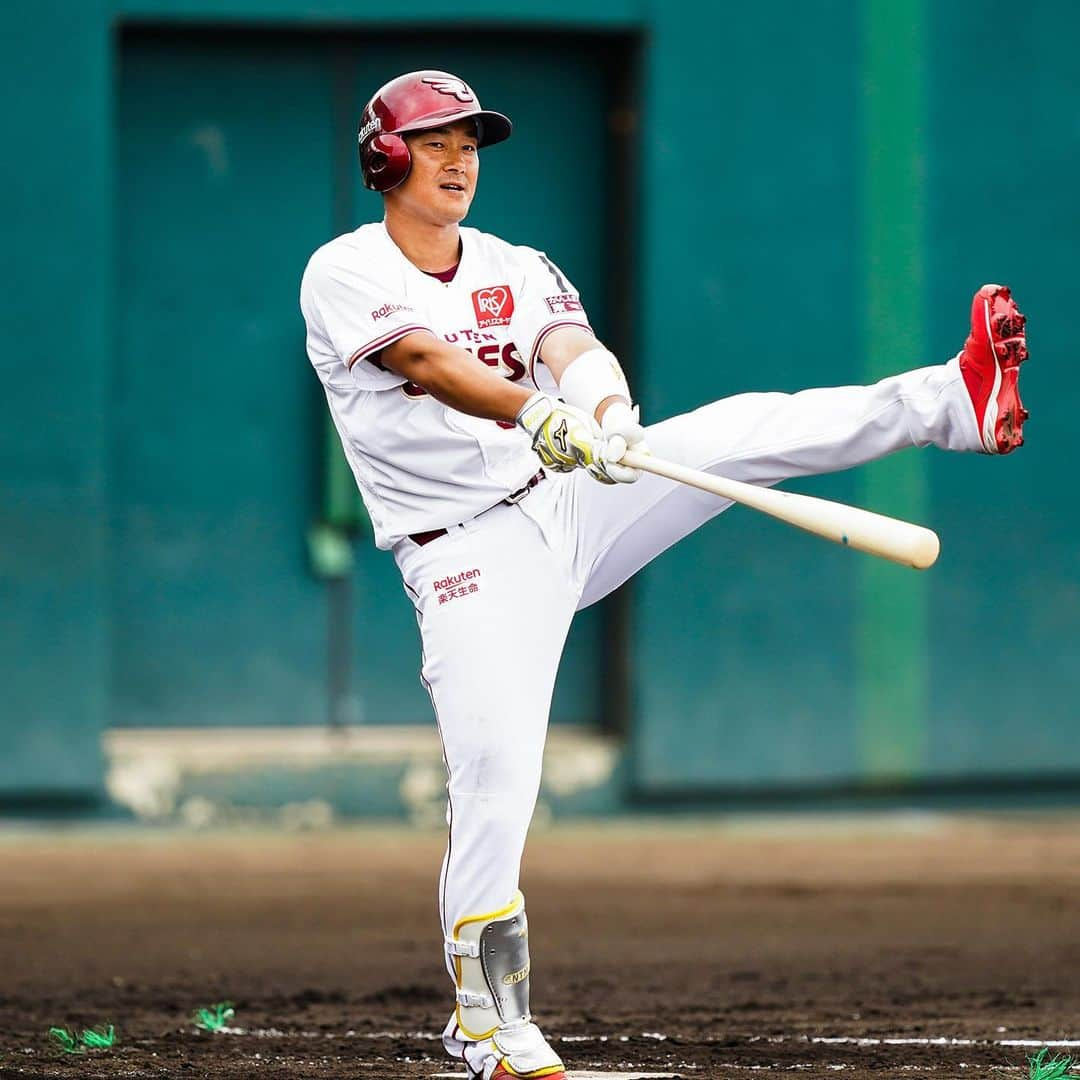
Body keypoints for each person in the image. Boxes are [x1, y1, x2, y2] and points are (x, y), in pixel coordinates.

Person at [299, 70, 1028, 1080]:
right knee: (499, 776)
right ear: (386, 157)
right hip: (463, 553)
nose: (460, 157)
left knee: (739, 432)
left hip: (561, 504)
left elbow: (570, 345)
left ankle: (951, 401)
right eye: (434, 141)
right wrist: (532, 412)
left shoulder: (515, 260)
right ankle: (484, 1018)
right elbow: (426, 361)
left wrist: (602, 414)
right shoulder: (343, 268)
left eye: (470, 140)